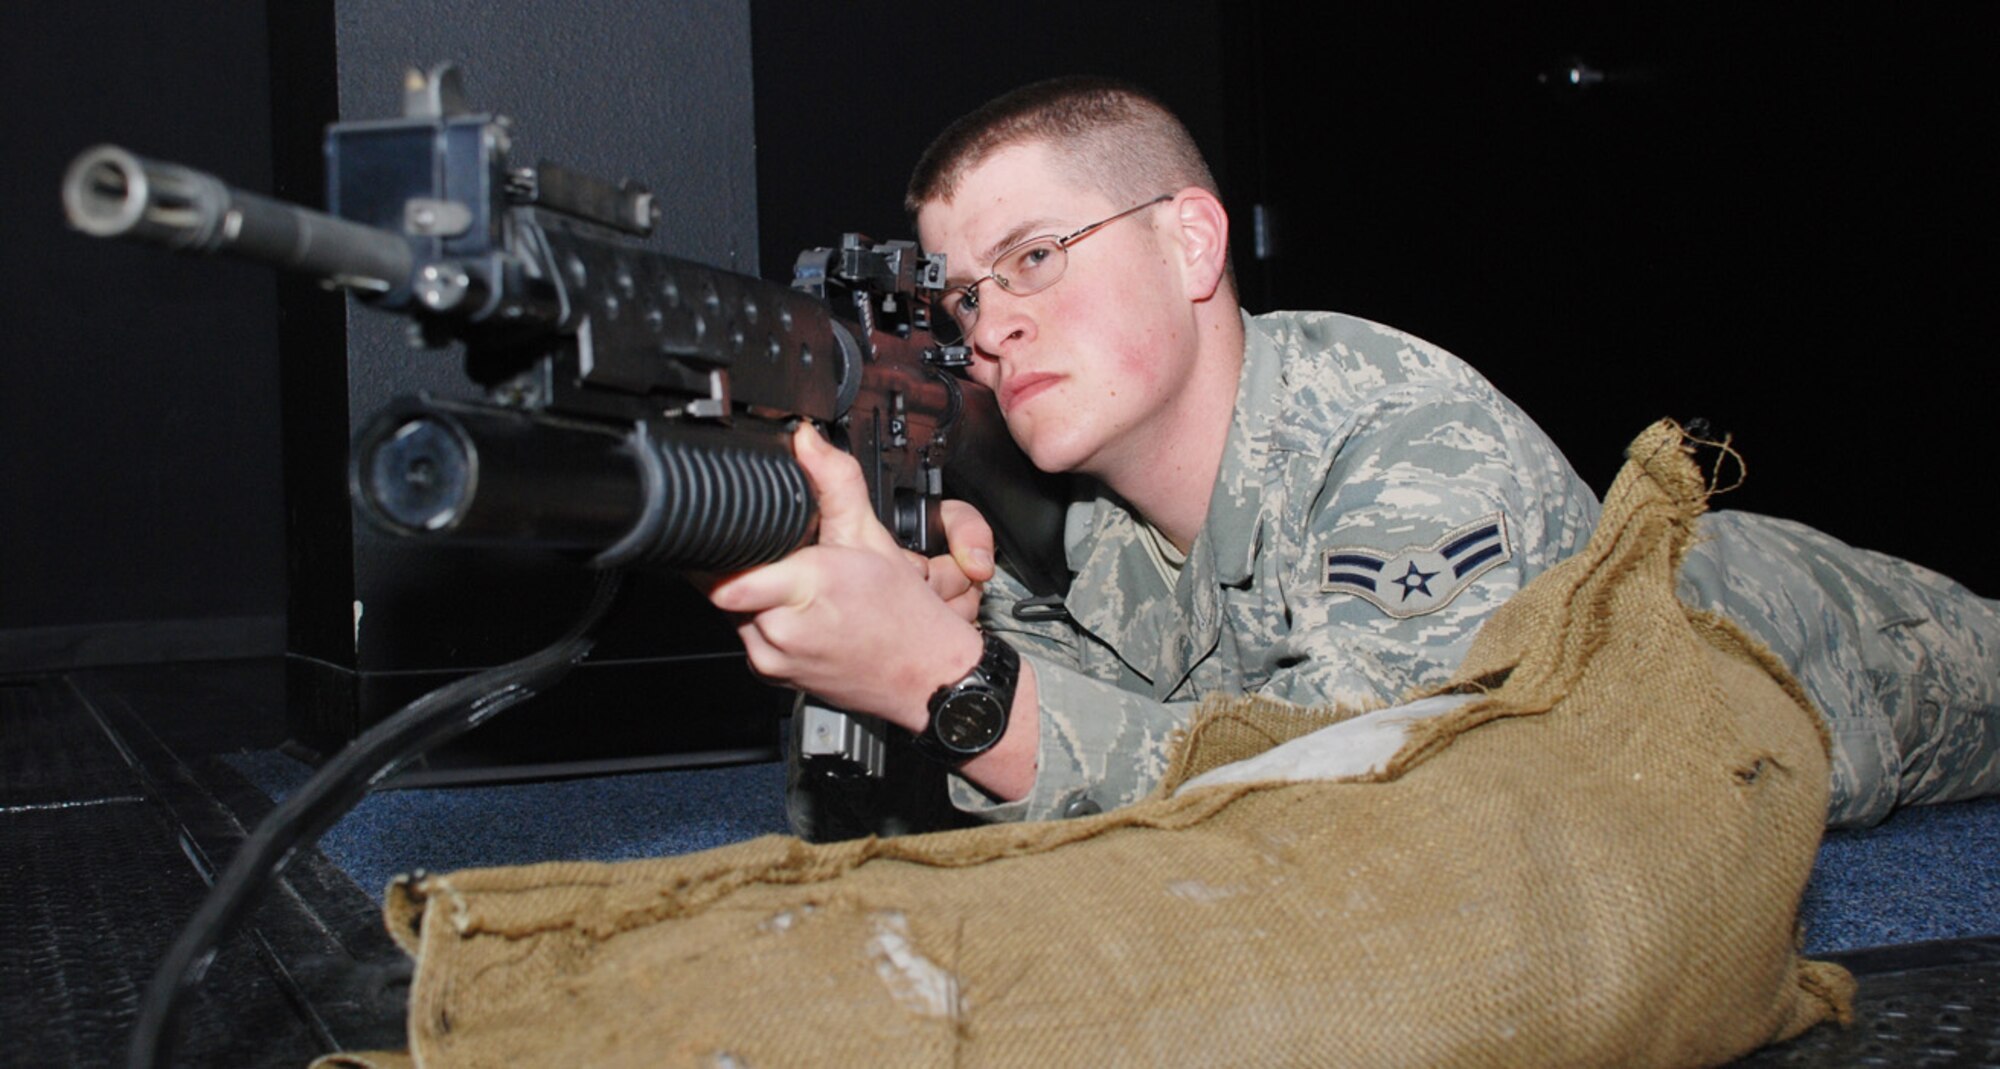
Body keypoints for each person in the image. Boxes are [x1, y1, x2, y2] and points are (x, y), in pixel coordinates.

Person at [706, 77, 1998, 830]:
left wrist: (960, 682)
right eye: (970, 296)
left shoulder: (1404, 445)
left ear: (1193, 244)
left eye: (1037, 255)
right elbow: (1132, 712)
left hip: (1833, 650)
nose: (995, 325)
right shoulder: (1095, 521)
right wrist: (958, 621)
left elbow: (1374, 803)